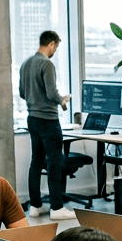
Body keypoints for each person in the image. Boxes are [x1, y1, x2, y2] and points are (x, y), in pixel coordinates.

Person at [19, 30, 76, 222]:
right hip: (48, 120)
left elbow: (21, 92)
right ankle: (57, 207)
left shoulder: (26, 63)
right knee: (54, 163)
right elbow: (52, 93)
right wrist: (63, 99)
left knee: (36, 161)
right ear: (51, 44)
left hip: (32, 119)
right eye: (56, 47)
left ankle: (35, 206)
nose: (55, 51)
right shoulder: (46, 64)